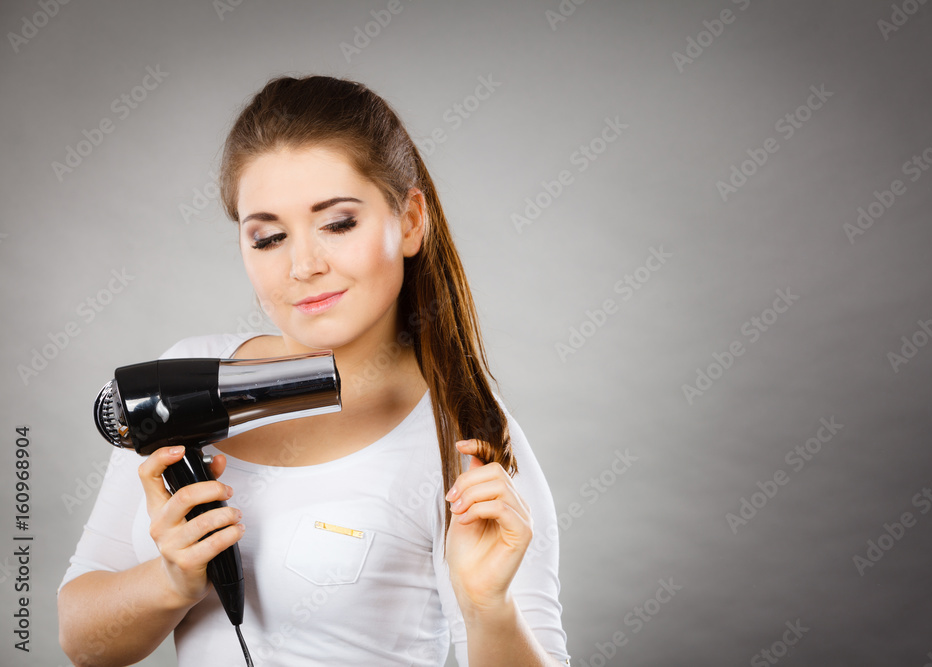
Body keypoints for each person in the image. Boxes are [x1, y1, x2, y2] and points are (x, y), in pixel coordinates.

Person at [57, 75, 570, 666]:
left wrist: (487, 608)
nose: (302, 265)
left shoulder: (465, 437)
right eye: (268, 237)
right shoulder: (179, 384)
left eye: (338, 224)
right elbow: (81, 641)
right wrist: (172, 580)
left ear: (409, 222)